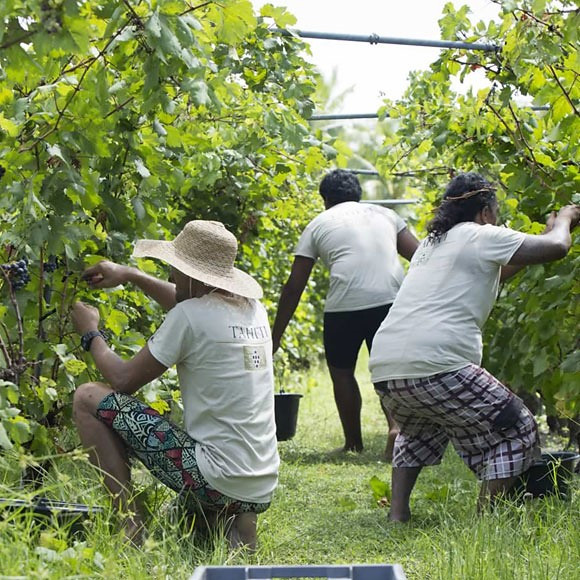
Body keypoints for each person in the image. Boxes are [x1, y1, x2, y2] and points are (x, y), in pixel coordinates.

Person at [368, 172, 580, 521]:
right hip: (436, 364)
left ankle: (397, 514)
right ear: (484, 212)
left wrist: (547, 232)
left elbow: (497, 271)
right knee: (518, 425)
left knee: (418, 429)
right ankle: (487, 518)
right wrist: (567, 220)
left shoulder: (433, 246)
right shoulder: (479, 235)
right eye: (495, 212)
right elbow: (557, 249)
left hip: (388, 369)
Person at [71, 220, 279, 548]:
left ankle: (131, 525)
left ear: (194, 276)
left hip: (214, 477)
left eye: (176, 269)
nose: (170, 276)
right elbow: (190, 305)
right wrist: (132, 275)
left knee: (87, 396)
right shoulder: (253, 311)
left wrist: (91, 332)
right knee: (195, 519)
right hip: (261, 482)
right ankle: (232, 521)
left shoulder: (190, 317)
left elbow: (122, 380)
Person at [272, 169, 419, 455]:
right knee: (390, 370)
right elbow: (420, 254)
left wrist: (276, 335)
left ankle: (353, 444)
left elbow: (294, 286)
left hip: (344, 306)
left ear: (326, 199)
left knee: (342, 373)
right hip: (391, 301)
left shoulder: (319, 223)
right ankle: (396, 429)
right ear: (358, 195)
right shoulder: (385, 214)